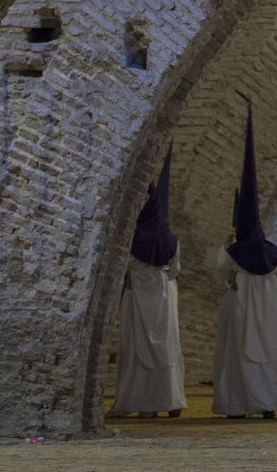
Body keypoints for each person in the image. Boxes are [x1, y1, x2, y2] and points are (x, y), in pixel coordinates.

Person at [214, 106, 277, 419]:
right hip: (265, 311)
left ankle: (237, 406)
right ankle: (266, 403)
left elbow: (220, 269)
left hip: (241, 309)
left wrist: (226, 245)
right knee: (266, 354)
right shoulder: (269, 252)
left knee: (239, 355)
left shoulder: (236, 254)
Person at [111, 147, 186, 419]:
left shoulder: (131, 239)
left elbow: (123, 269)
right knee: (165, 347)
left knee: (137, 349)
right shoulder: (171, 240)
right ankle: (169, 399)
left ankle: (140, 402)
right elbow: (176, 270)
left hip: (136, 298)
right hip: (164, 296)